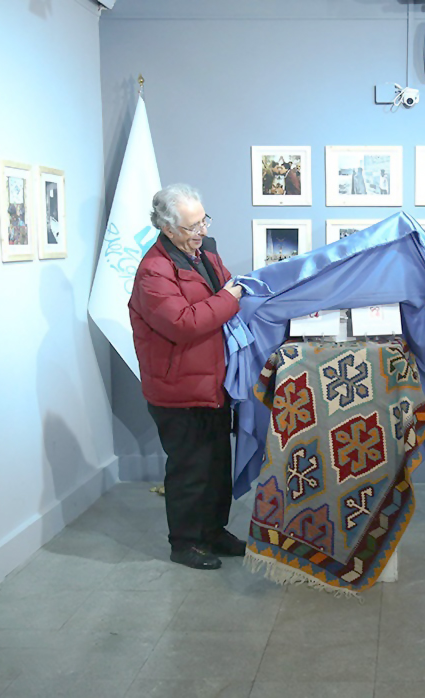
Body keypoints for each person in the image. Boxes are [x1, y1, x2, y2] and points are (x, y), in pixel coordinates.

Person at [129, 183, 246, 570]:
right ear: (166, 227)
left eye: (203, 221)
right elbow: (184, 323)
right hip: (178, 389)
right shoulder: (153, 272)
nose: (202, 231)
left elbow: (225, 289)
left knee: (217, 467)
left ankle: (213, 532)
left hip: (212, 382)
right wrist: (230, 298)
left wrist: (233, 295)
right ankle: (185, 543)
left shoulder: (204, 252)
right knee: (190, 470)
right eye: (192, 226)